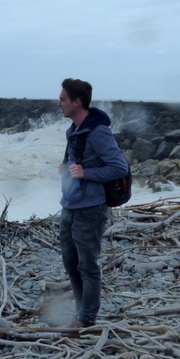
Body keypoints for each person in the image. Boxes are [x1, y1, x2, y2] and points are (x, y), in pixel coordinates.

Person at [57, 78, 128, 334]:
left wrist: (86, 173)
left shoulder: (99, 132)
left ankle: (87, 320)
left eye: (63, 99)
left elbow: (120, 167)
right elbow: (74, 164)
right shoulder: (72, 131)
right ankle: (80, 314)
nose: (59, 104)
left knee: (87, 266)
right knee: (70, 264)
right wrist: (66, 169)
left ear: (77, 102)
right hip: (69, 206)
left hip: (91, 209)